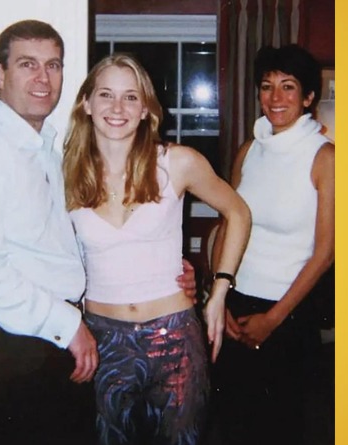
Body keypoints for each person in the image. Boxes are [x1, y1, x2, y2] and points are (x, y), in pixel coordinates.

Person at [0, 20, 196, 445]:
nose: (43, 78)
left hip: (46, 345)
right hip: (14, 349)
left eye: (53, 65)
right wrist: (67, 323)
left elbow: (61, 245)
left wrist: (166, 267)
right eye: (27, 64)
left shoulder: (46, 150)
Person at [62, 54, 251, 445]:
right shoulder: (65, 172)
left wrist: (219, 292)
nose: (118, 107)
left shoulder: (177, 162)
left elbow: (238, 212)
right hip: (102, 342)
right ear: (86, 103)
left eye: (131, 97)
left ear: (146, 109)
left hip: (175, 340)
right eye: (106, 94)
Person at [209, 44, 335, 445]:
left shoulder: (325, 158)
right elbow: (227, 226)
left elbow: (326, 252)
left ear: (308, 97)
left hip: (289, 314)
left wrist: (274, 319)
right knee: (231, 427)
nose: (275, 97)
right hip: (236, 305)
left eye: (288, 86)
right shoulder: (249, 151)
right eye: (267, 86)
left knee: (279, 430)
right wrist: (220, 298)